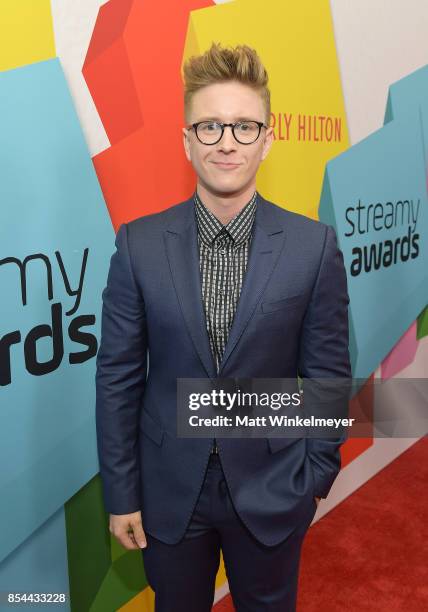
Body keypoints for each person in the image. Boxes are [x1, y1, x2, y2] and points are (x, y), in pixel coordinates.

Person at [95, 42, 351, 611]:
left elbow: (328, 375)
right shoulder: (138, 245)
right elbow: (118, 379)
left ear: (268, 138)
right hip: (167, 494)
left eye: (243, 126)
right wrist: (122, 493)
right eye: (209, 126)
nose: (227, 141)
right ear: (187, 140)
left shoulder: (313, 247)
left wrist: (312, 481)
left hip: (274, 489)